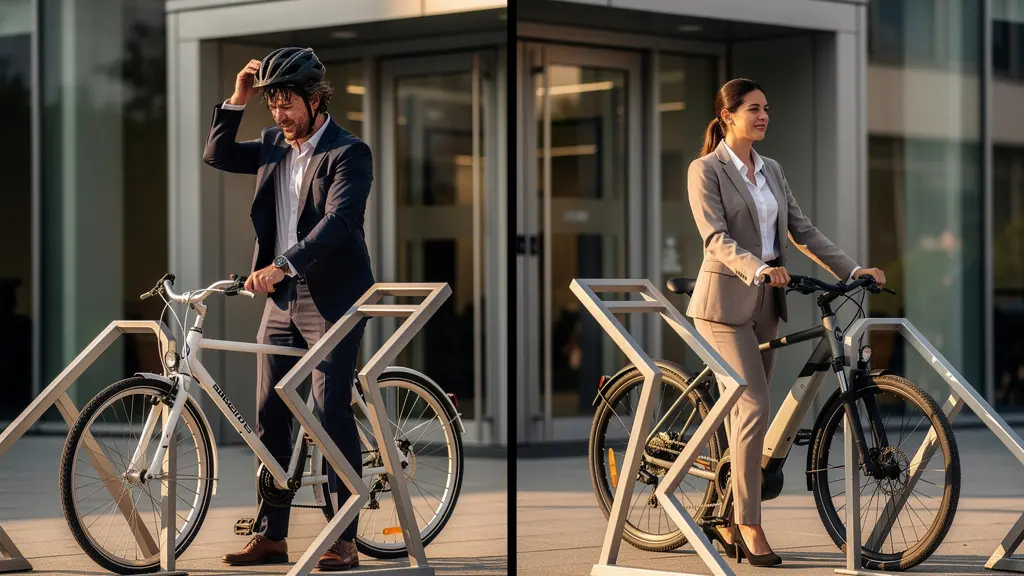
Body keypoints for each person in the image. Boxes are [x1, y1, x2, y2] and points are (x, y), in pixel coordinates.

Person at [685, 78, 886, 567]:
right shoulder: (705, 169)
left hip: (766, 307)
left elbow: (803, 231)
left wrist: (853, 269)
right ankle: (747, 524)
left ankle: (733, 506)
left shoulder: (771, 169)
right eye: (753, 109)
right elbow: (713, 236)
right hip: (723, 306)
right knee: (753, 404)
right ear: (728, 115)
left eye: (767, 109)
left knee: (748, 414)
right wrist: (757, 267)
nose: (763, 116)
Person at [203, 46, 374, 571]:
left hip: (334, 300)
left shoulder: (349, 152)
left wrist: (283, 263)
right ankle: (272, 534)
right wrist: (237, 99)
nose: (279, 115)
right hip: (281, 302)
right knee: (270, 415)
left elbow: (339, 225)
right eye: (273, 104)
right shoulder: (275, 143)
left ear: (317, 100)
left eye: (288, 104)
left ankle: (344, 538)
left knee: (327, 412)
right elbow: (218, 154)